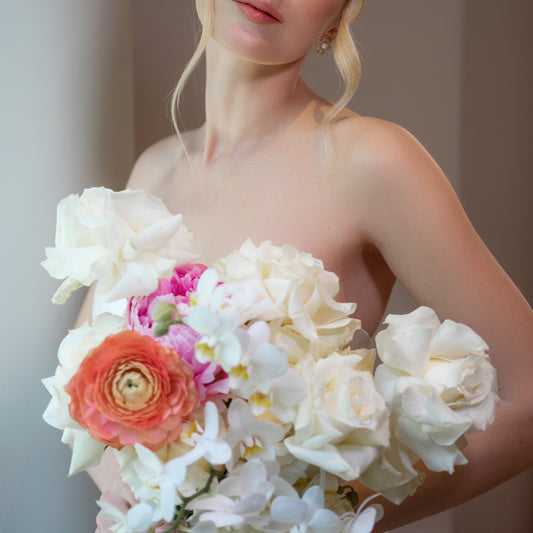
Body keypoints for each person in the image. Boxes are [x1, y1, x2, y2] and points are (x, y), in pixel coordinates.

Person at [76, 1, 533, 531]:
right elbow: (88, 394)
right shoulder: (152, 171)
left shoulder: (372, 162)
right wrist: (138, 500)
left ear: (337, 17)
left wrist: (314, 515)